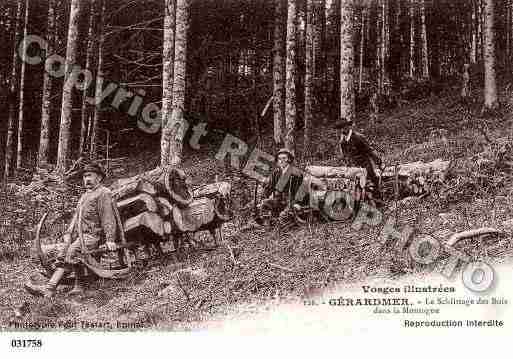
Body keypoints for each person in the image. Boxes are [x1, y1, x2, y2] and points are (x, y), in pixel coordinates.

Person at [25, 163, 119, 297]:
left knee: (73, 251)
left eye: (90, 176)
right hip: (79, 235)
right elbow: (76, 217)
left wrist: (110, 239)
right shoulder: (85, 195)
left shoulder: (103, 193)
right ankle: (71, 285)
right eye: (85, 177)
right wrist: (68, 233)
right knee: (63, 252)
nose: (86, 179)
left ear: (99, 177)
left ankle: (51, 289)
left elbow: (108, 217)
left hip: (94, 235)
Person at [335, 118, 384, 202]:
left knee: (373, 180)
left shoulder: (358, 137)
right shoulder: (343, 141)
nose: (342, 130)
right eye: (340, 128)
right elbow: (345, 156)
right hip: (353, 167)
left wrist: (379, 162)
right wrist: (346, 164)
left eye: (343, 127)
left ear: (348, 126)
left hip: (364, 164)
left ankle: (379, 200)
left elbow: (369, 150)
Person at [257, 148, 303, 231]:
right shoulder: (276, 172)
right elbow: (269, 187)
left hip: (292, 200)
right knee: (265, 204)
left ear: (289, 159)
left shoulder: (296, 173)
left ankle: (284, 231)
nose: (281, 161)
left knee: (283, 216)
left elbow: (301, 189)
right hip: (279, 199)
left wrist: (297, 203)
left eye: (284, 158)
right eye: (279, 159)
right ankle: (268, 227)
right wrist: (263, 198)